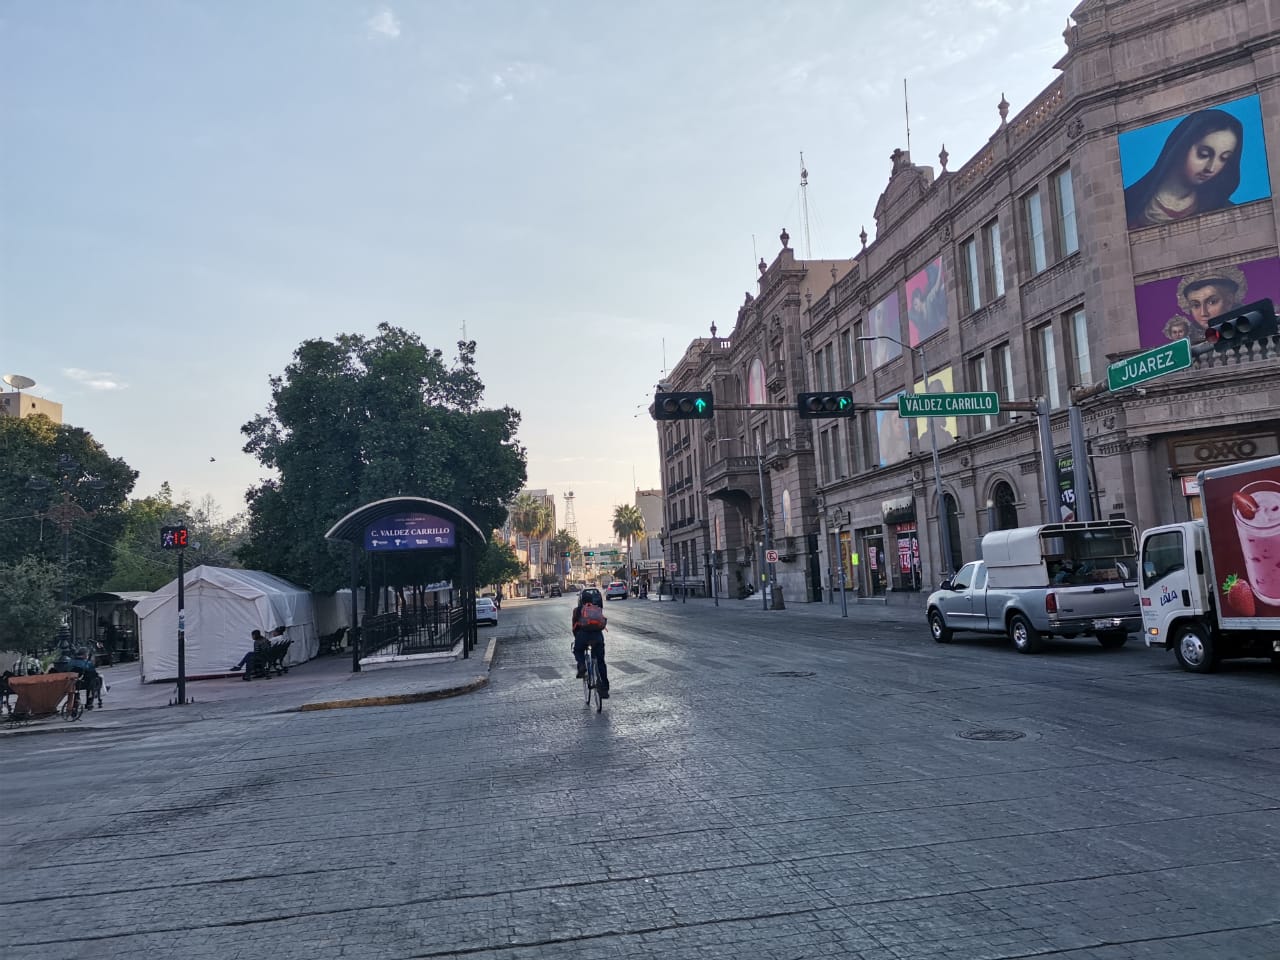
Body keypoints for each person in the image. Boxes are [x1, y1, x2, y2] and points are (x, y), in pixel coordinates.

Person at [1124, 109, 1244, 229]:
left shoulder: (1225, 211)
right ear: (1181, 146)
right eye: (1203, 154)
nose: (1211, 168)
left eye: (1223, 158)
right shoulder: (1129, 203)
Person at [571, 588, 609, 698]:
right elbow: (601, 624)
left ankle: (582, 665)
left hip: (583, 635)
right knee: (601, 662)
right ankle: (605, 688)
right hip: (597, 636)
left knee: (577, 650)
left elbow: (574, 627)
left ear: (581, 600)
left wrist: (577, 638)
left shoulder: (577, 610)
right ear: (592, 600)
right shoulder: (597, 609)